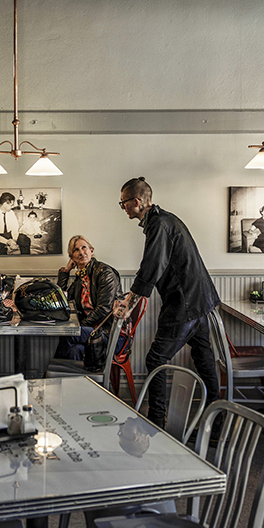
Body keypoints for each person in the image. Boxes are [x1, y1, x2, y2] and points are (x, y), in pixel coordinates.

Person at [113, 177, 221, 430]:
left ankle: (156, 422)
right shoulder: (165, 219)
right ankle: (217, 426)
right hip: (200, 302)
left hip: (184, 304)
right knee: (205, 363)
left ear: (137, 202)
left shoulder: (158, 224)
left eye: (123, 203)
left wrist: (130, 300)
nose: (123, 208)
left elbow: (152, 265)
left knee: (155, 361)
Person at [54, 235, 124, 360]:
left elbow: (104, 309)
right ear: (72, 257)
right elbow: (63, 299)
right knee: (75, 350)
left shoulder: (104, 273)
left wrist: (79, 327)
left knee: (69, 335)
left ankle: (50, 374)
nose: (81, 253)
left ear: (91, 251)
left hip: (111, 333)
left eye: (84, 248)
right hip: (94, 331)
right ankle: (69, 378)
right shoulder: (81, 276)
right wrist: (65, 271)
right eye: (76, 250)